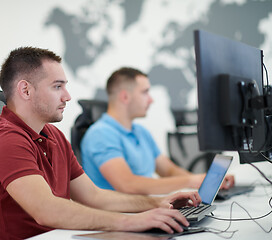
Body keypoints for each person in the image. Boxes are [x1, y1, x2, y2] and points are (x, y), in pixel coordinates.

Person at [0, 47, 201, 239]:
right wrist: (131, 222)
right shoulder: (5, 140)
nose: (67, 96)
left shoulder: (54, 136)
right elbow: (46, 210)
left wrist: (157, 204)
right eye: (57, 86)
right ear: (25, 90)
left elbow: (93, 196)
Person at [81, 67, 235, 195]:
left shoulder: (140, 131)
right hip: (121, 217)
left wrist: (205, 182)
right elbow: (128, 185)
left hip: (144, 209)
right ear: (125, 96)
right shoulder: (100, 134)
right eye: (145, 92)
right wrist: (190, 181)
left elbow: (168, 170)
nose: (151, 99)